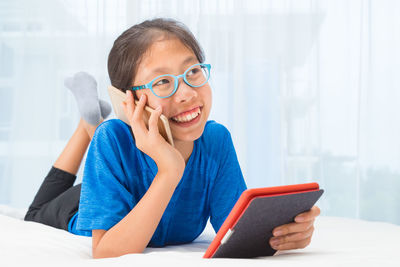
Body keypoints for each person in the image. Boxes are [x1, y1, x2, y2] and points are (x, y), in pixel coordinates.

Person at [24, 18, 321, 259]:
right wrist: (169, 171)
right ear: (129, 101)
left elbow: (235, 233)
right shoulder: (112, 141)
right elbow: (107, 251)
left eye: (192, 71)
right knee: (36, 212)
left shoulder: (216, 140)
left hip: (122, 180)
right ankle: (87, 126)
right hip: (83, 203)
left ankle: (89, 121)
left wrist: (284, 234)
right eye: (163, 82)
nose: (188, 93)